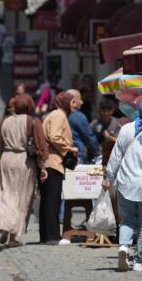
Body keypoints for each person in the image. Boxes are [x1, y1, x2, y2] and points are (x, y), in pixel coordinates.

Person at [103, 97, 142, 271]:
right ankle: (139, 259)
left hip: (126, 183)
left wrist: (108, 176)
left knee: (127, 220)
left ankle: (123, 247)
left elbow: (115, 156)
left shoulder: (125, 129)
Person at [0, 95, 48, 249]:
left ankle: (4, 223)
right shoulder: (33, 121)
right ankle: (13, 235)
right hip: (24, 161)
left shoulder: (4, 121)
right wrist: (43, 166)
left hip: (7, 158)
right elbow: (41, 145)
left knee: (6, 194)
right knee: (22, 198)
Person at [40, 92, 79, 244]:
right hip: (53, 162)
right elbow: (55, 136)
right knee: (52, 201)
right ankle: (52, 236)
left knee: (48, 201)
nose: (75, 105)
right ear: (66, 102)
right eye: (73, 102)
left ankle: (46, 235)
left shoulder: (57, 114)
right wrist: (70, 148)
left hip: (51, 161)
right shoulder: (59, 115)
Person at [67, 89, 100, 162]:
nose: (82, 102)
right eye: (80, 99)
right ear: (73, 101)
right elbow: (89, 136)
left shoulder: (59, 115)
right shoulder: (79, 116)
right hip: (77, 154)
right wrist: (98, 152)